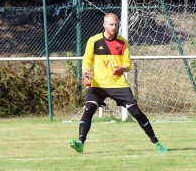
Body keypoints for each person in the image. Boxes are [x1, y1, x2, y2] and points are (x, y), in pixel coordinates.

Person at [69, 13, 167, 153]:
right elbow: (87, 61)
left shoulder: (122, 42)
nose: (114, 27)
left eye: (116, 24)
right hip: (98, 85)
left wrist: (123, 68)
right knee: (89, 109)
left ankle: (156, 142)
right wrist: (85, 74)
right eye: (111, 24)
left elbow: (128, 64)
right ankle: (80, 142)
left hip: (118, 84)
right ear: (104, 25)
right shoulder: (94, 41)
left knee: (136, 112)